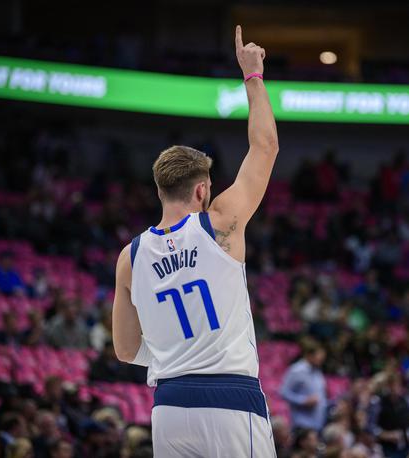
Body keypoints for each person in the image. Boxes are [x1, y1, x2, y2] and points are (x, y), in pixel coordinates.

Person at [111, 25, 278, 458]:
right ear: (202, 190)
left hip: (168, 407)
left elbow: (126, 350)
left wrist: (176, 353)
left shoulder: (129, 257)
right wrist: (253, 76)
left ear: (160, 190)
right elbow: (265, 148)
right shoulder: (219, 224)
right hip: (229, 398)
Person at [279, 341, 328, 431]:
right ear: (309, 355)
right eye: (319, 356)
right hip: (302, 423)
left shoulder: (318, 372)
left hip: (318, 423)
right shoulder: (297, 370)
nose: (322, 359)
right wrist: (303, 401)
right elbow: (283, 392)